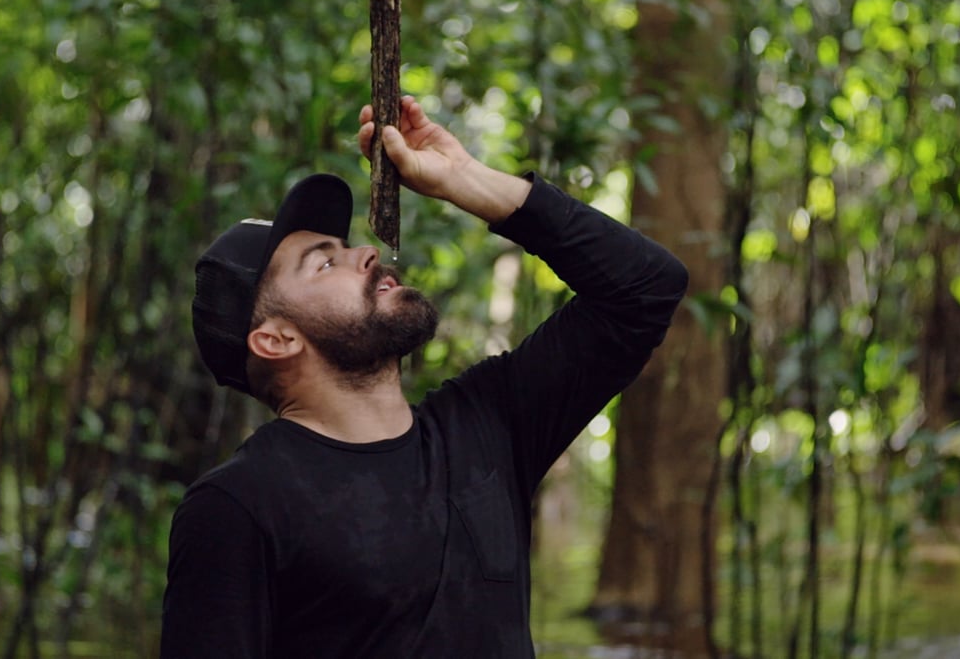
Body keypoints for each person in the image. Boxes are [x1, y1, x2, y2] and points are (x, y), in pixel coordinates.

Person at [161, 96, 689, 658]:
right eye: (323, 262)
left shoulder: (486, 426)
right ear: (277, 339)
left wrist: (465, 178)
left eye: (344, 247)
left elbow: (646, 288)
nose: (364, 253)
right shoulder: (237, 505)